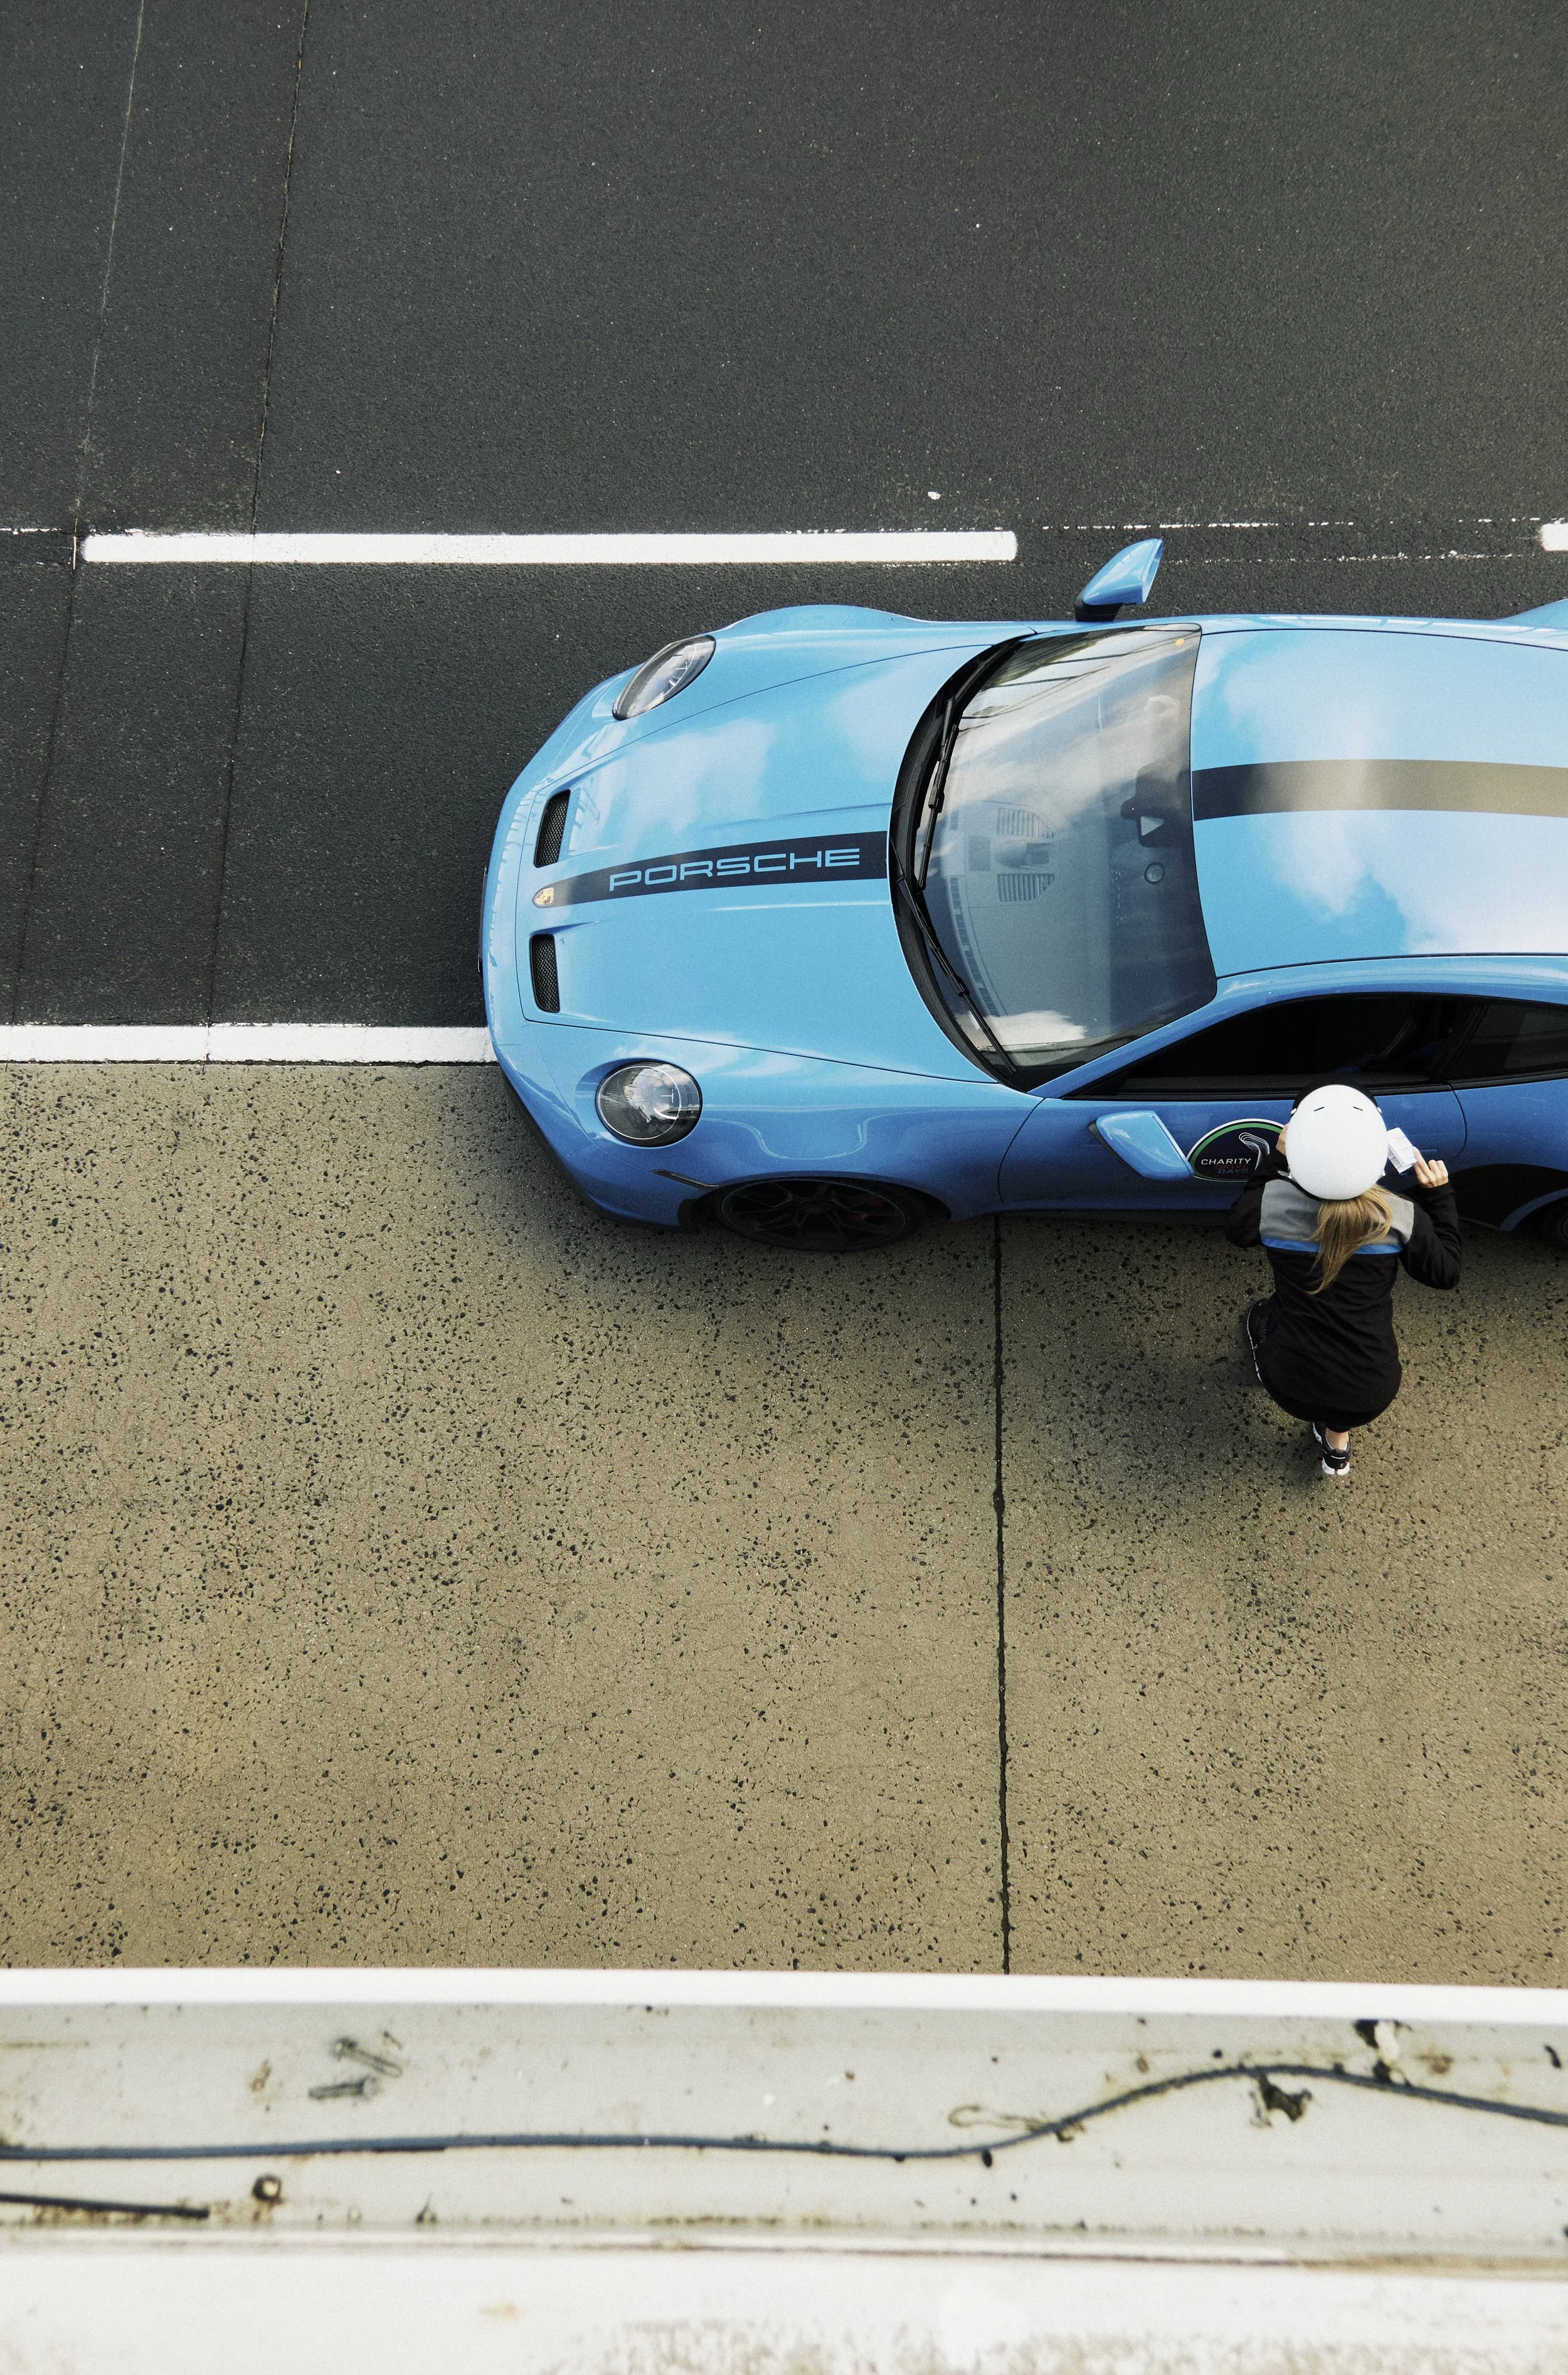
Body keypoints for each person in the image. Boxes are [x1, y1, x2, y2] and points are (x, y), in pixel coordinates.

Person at [1227, 1082, 1461, 1479]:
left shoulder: (1271, 1205)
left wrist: (1273, 1163)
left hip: (1288, 1386)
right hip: (1371, 1392)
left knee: (1265, 1317)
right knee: (1344, 1401)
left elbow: (1237, 1229)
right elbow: (1446, 1274)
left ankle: (1272, 1360)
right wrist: (1440, 1196)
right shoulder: (1400, 1216)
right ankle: (1337, 1446)